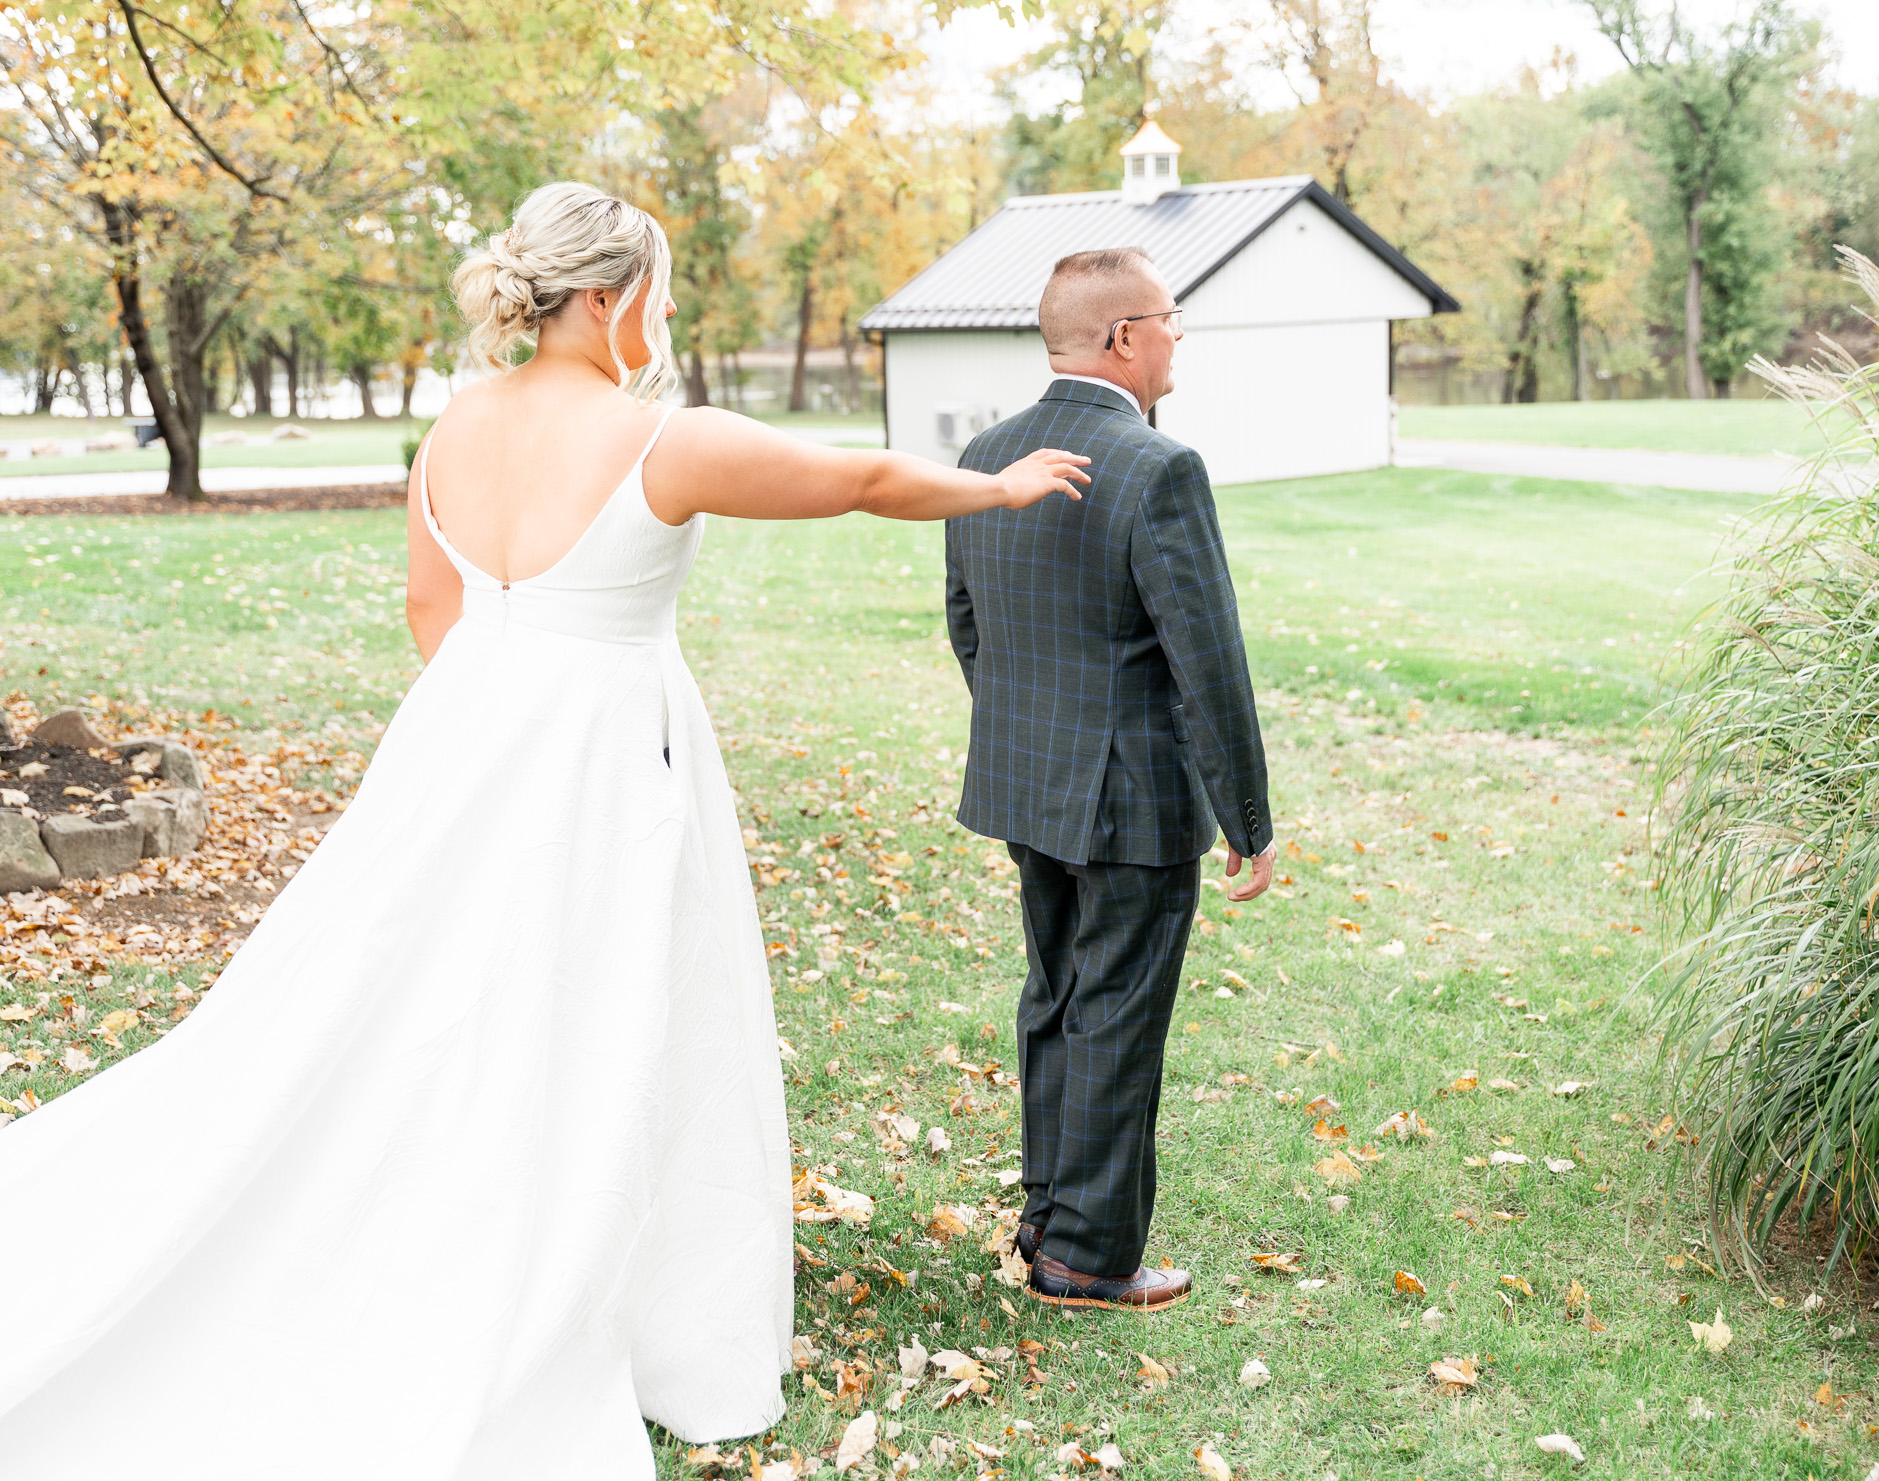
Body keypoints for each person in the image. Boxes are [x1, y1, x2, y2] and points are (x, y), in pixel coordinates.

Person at [0, 181, 1089, 1477]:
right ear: (612, 297)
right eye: (664, 296)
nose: (668, 317)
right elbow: (852, 476)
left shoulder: (455, 426)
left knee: (423, 996)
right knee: (603, 1004)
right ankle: (598, 1279)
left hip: (459, 739)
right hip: (609, 758)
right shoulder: (655, 440)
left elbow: (429, 604)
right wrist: (1003, 489)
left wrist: (490, 722)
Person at [943, 246, 1275, 1313]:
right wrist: (1249, 818)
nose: (1179, 337)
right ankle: (1086, 1255)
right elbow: (1206, 658)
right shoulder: (1155, 466)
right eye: (1171, 319)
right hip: (1130, 798)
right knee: (1115, 1013)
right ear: (1124, 336)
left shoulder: (985, 454)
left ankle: (1047, 1211)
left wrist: (1024, 736)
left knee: (1055, 997)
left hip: (1025, 784)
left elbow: (966, 626)